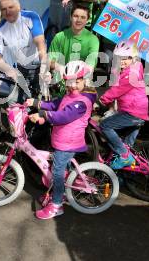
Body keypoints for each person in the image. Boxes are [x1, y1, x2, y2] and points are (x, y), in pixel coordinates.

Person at [26, 60, 97, 219]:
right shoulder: (70, 95)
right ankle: (62, 192)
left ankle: (57, 204)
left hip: (69, 143)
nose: (72, 86)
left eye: (76, 82)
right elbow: (56, 104)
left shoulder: (82, 102)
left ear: (85, 80)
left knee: (57, 173)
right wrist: (38, 103)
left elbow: (63, 116)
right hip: (62, 140)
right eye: (69, 82)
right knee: (61, 169)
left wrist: (43, 115)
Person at [99, 41, 149, 169]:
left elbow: (117, 90)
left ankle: (124, 155)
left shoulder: (131, 73)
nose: (121, 61)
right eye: (118, 58)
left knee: (105, 125)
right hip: (137, 112)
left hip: (132, 112)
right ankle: (123, 175)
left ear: (133, 58)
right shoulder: (133, 68)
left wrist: (102, 101)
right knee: (126, 146)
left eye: (125, 58)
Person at [0, 0, 48, 104]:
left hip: (38, 66)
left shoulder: (31, 17)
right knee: (15, 106)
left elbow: (40, 43)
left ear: (18, 6)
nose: (8, 12)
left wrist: (44, 67)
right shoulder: (0, 29)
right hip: (19, 69)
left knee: (40, 106)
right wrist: (8, 70)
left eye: (11, 7)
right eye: (3, 9)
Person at [49, 3, 99, 73]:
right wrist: (62, 68)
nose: (79, 20)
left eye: (83, 17)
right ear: (70, 17)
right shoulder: (59, 37)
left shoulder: (93, 39)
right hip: (61, 76)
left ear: (87, 20)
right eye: (76, 16)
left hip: (82, 78)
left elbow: (90, 65)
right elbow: (50, 61)